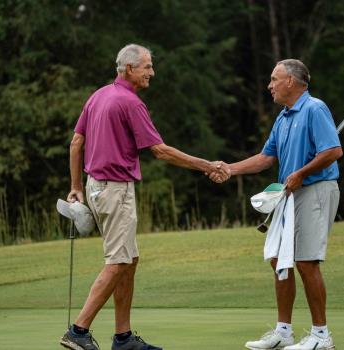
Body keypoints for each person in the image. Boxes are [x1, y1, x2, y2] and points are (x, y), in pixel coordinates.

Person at [60, 43, 228, 350]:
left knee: (129, 259)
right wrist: (206, 165)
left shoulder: (98, 95)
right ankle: (78, 330)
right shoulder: (130, 102)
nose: (152, 72)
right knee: (118, 261)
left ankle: (123, 338)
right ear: (129, 69)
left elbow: (75, 143)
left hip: (96, 186)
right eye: (147, 66)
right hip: (116, 190)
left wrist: (77, 187)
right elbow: (160, 151)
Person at [217, 59, 342, 350]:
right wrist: (229, 169)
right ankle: (284, 332)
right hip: (291, 193)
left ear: (292, 81)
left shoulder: (314, 108)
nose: (269, 85)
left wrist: (301, 172)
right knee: (279, 260)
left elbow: (334, 150)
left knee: (306, 261)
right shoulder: (284, 117)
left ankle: (321, 336)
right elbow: (266, 158)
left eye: (274, 79)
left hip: (316, 189)